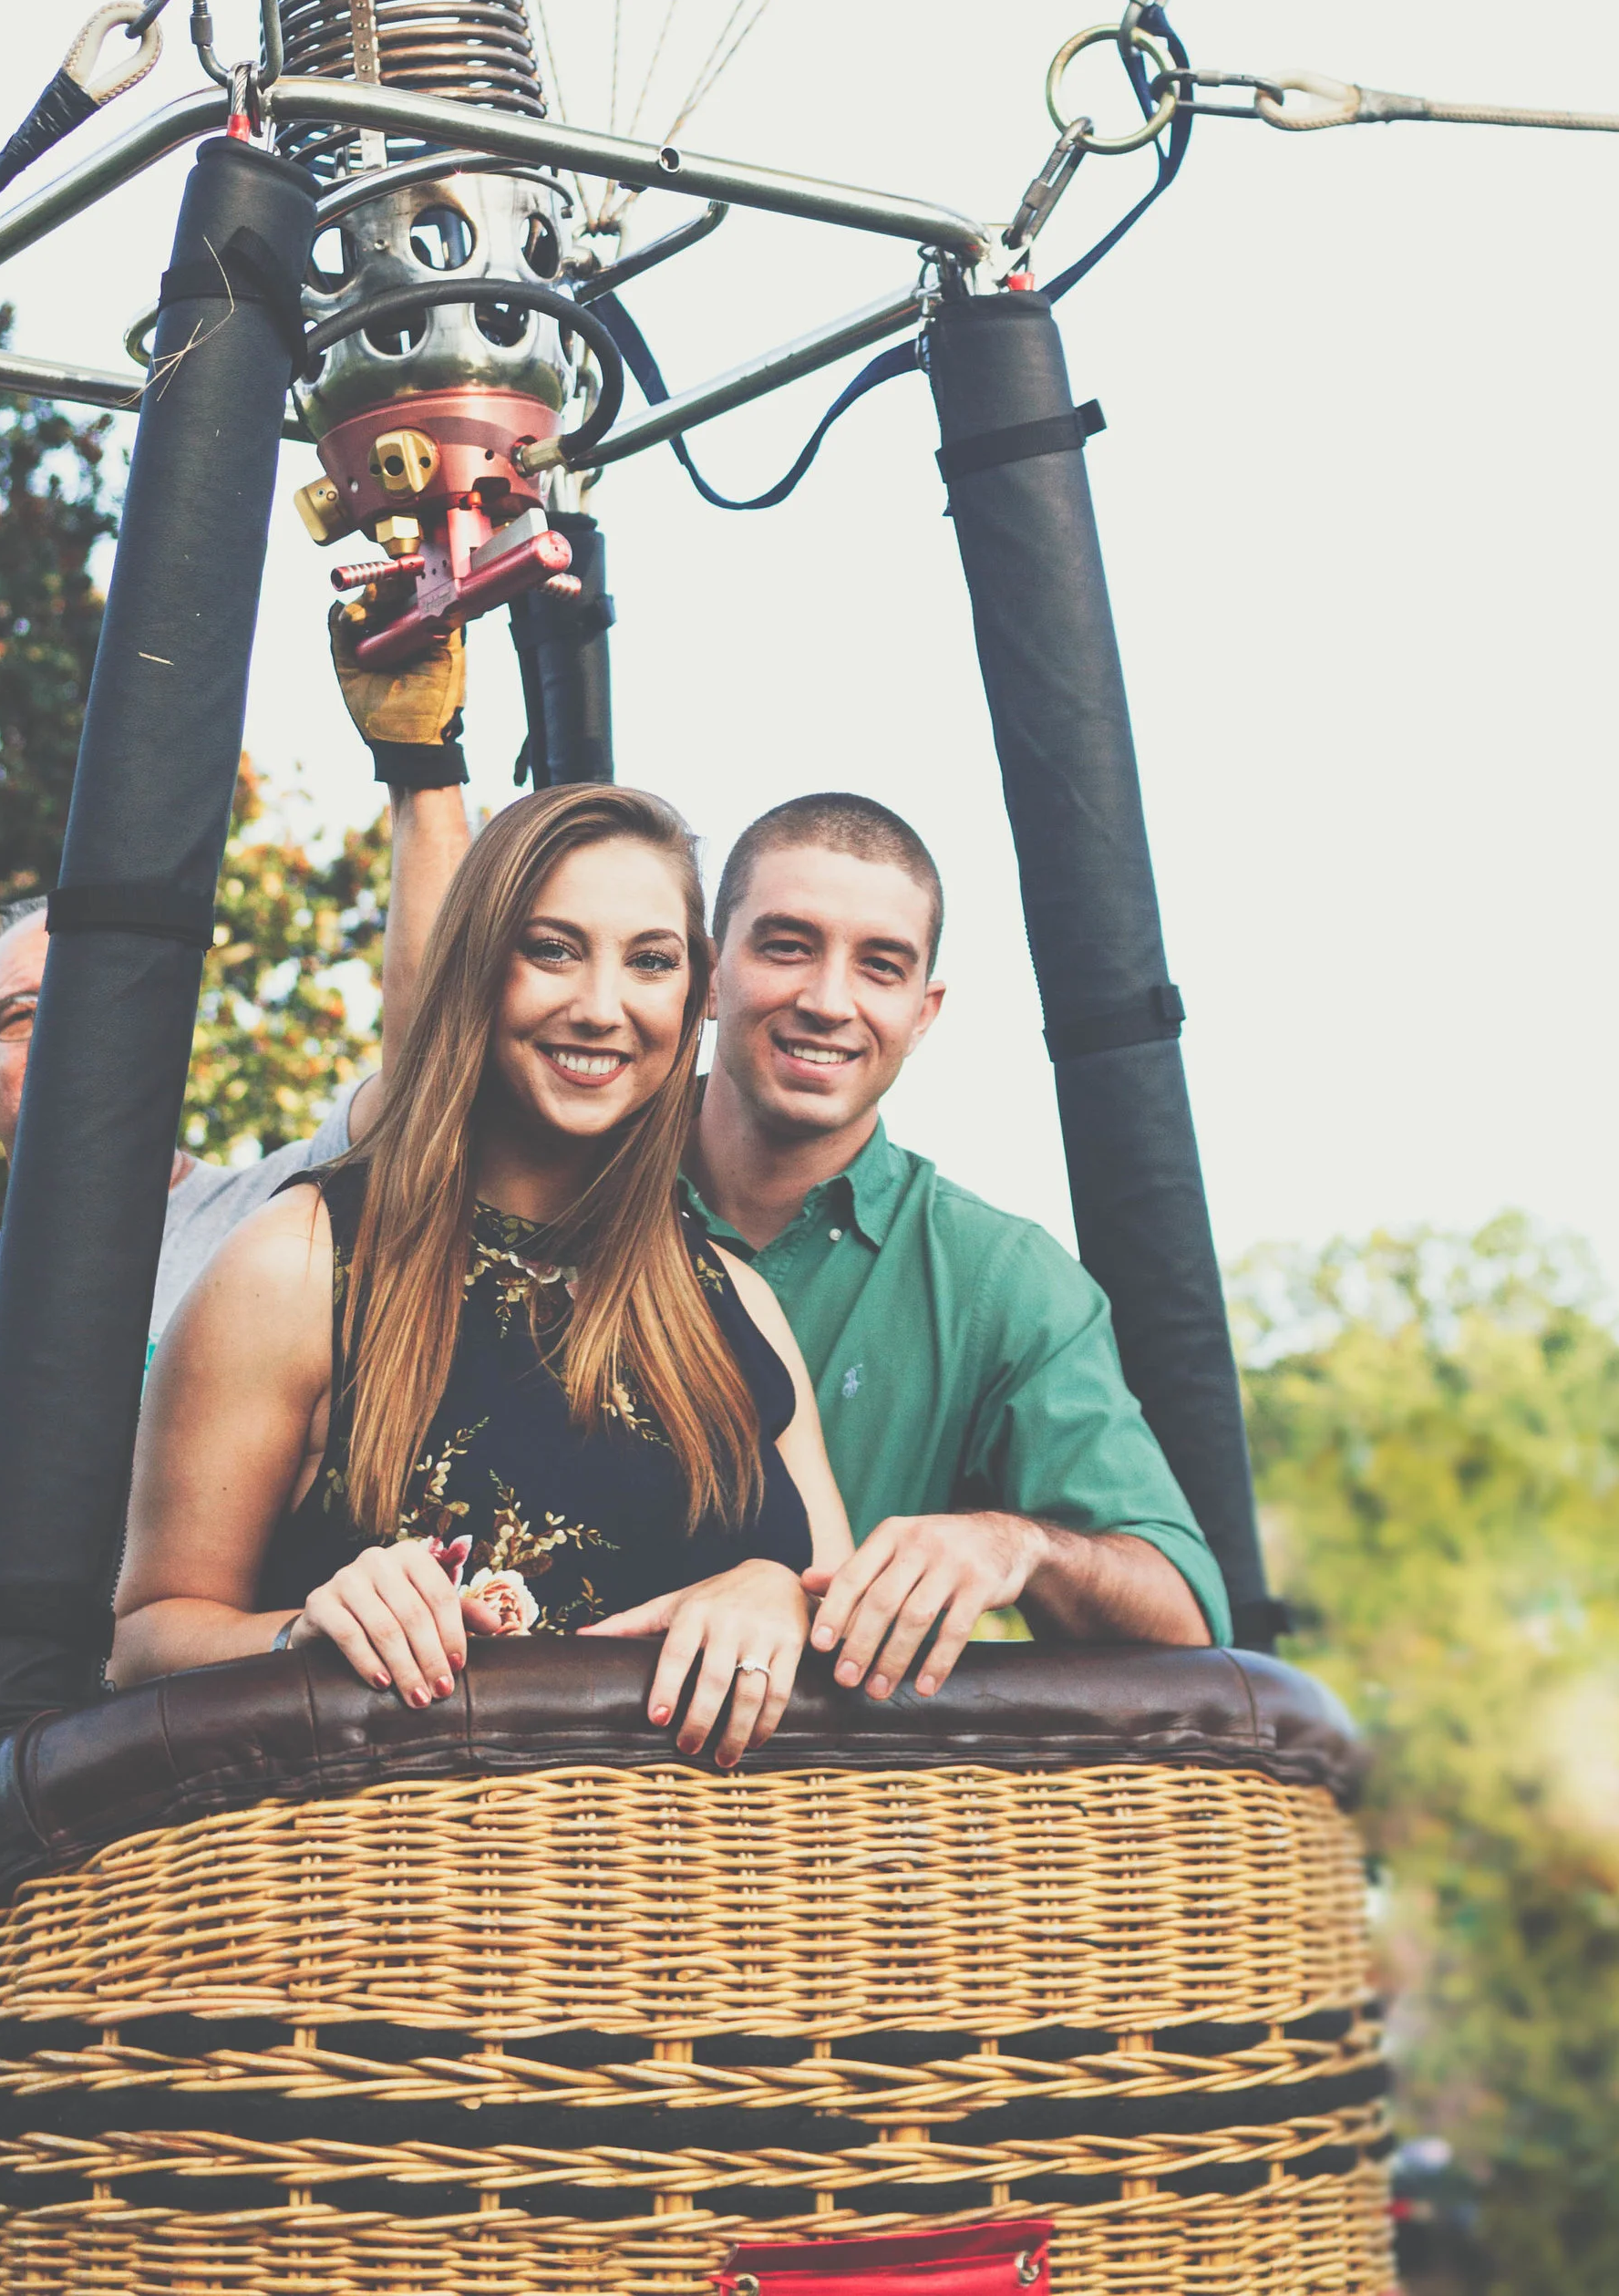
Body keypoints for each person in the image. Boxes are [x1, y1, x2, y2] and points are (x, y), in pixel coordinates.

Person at [338, 665, 1230, 1698]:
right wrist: (422, 774)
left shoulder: (1002, 1285)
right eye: (788, 946)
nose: (826, 1000)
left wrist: (1009, 1547)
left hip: (794, 1825)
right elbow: (431, 1065)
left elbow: (1186, 1619)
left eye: (881, 967)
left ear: (926, 1012)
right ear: (707, 972)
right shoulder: (552, 1160)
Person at [111, 785, 852, 1769]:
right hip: (414, 1899)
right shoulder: (299, 1262)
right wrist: (304, 1634)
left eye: (650, 962)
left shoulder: (733, 1297)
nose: (600, 1007)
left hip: (726, 1908)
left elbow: (839, 1623)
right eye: (552, 949)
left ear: (696, 994)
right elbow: (141, 1643)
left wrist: (775, 1592)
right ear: (475, 965)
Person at [0, 841, 437, 1762]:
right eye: (25, 1013)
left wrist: (421, 772)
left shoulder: (277, 1215)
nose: (67, 1029)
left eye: (94, 997)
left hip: (236, 1779)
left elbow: (430, 1070)